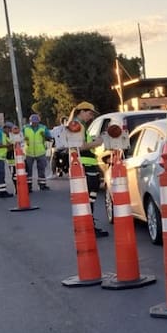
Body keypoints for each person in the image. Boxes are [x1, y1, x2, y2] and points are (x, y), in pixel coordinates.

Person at [71, 102, 109, 238]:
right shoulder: (77, 125)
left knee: (89, 199)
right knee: (88, 199)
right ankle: (88, 228)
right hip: (85, 166)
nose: (91, 117)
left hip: (85, 166)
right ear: (81, 111)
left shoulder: (78, 125)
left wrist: (91, 140)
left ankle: (88, 226)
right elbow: (79, 147)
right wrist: (96, 143)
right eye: (89, 113)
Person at [23, 113, 53, 191]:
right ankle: (29, 186)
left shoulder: (43, 128)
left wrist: (44, 136)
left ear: (38, 121)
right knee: (28, 170)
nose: (34, 123)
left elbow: (50, 138)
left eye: (36, 122)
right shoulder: (25, 128)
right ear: (30, 121)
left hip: (40, 152)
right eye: (33, 122)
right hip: (28, 152)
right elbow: (19, 138)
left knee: (41, 169)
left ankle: (42, 185)